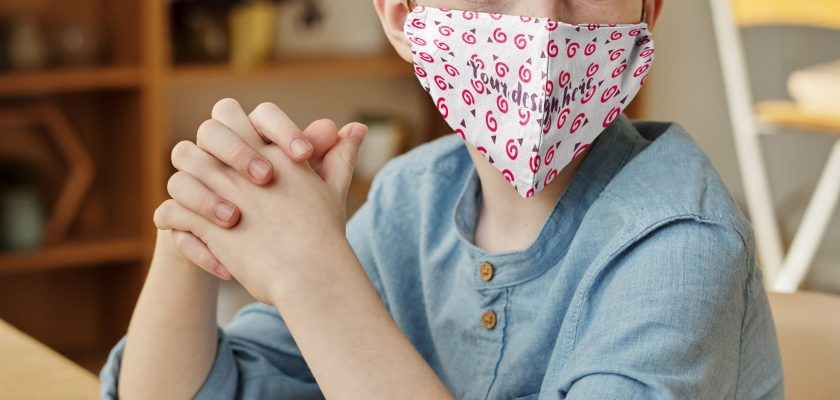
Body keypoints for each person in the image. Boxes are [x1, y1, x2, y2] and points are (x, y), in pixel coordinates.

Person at [101, 0, 784, 398]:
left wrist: (311, 274)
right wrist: (200, 222)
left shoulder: (681, 241)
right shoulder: (410, 199)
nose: (542, 28)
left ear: (647, 12)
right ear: (404, 17)